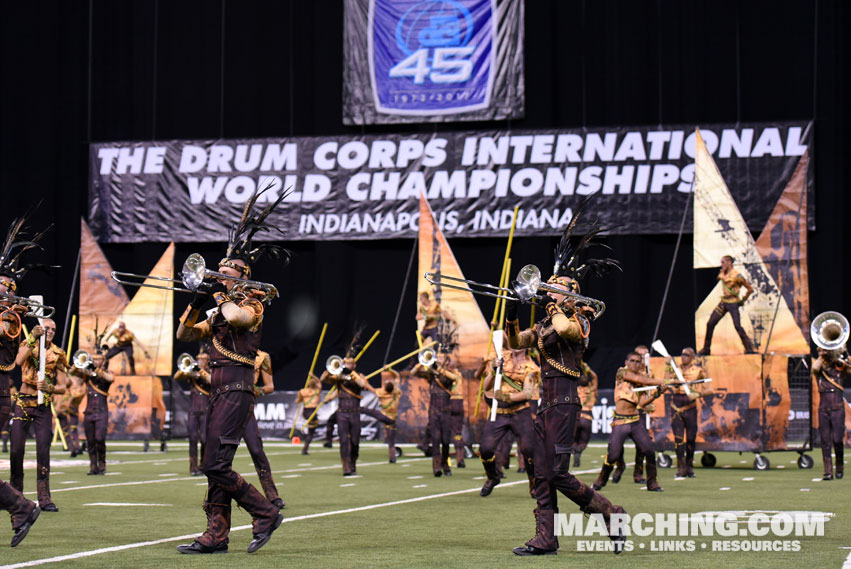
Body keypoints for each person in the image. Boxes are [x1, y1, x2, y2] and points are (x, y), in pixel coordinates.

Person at [506, 202, 626, 556]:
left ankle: (611, 513)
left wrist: (557, 306)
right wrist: (513, 311)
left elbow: (565, 329)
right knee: (541, 474)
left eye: (554, 288)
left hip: (565, 405)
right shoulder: (544, 324)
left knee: (557, 473)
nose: (546, 292)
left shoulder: (580, 320)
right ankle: (546, 538)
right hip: (545, 407)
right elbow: (515, 342)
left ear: (571, 292)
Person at [175, 190, 287, 554]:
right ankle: (216, 535)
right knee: (217, 464)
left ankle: (264, 512)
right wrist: (196, 301)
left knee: (213, 463)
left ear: (243, 275)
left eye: (226, 271)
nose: (219, 274)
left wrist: (221, 296)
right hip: (217, 392)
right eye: (219, 270)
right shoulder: (218, 309)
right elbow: (185, 335)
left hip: (238, 389)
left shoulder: (253, 302)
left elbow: (237, 317)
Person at [11, 318, 70, 512]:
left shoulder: (58, 353)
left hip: (43, 405)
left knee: (43, 450)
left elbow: (64, 386)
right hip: (23, 401)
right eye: (47, 328)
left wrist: (49, 387)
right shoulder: (28, 343)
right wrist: (32, 337)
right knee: (16, 449)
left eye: (53, 328)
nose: (50, 331)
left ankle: (44, 498)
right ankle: (14, 495)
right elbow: (18, 361)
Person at [592, 352, 666, 492]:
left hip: (635, 421)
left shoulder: (639, 381)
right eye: (632, 360)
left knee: (649, 450)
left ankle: (652, 483)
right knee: (613, 455)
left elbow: (642, 402)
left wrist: (657, 393)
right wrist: (662, 382)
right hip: (621, 421)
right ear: (627, 361)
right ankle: (601, 480)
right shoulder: (622, 372)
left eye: (638, 361)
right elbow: (644, 381)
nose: (635, 363)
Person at [478, 348, 539, 497]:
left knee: (529, 450)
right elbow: (486, 386)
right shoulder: (500, 358)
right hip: (499, 412)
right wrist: (493, 370)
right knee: (485, 449)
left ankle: (534, 483)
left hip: (520, 412)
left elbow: (528, 393)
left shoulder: (532, 367)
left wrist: (506, 397)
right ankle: (493, 477)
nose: (516, 345)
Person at [243, 349, 284, 509]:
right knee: (221, 454)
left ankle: (273, 495)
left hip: (246, 408)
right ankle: (216, 499)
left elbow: (270, 386)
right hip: (225, 407)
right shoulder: (227, 350)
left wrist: (255, 390)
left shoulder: (262, 357)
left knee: (257, 451)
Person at [412, 350, 462, 477]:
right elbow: (414, 372)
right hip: (434, 411)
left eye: (440, 358)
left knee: (445, 440)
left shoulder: (448, 374)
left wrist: (438, 369)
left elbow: (455, 378)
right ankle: (436, 467)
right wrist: (421, 362)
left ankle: (445, 464)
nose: (437, 359)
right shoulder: (431, 375)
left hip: (445, 411)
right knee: (435, 439)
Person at [665, 347, 712, 478]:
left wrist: (697, 394)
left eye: (687, 355)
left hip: (690, 406)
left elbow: (709, 390)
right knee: (678, 439)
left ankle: (689, 466)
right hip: (676, 405)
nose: (683, 357)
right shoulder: (676, 369)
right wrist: (668, 366)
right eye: (682, 354)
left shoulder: (699, 370)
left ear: (692, 357)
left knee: (691, 438)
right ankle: (681, 467)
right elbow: (665, 382)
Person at [698, 255, 756, 355]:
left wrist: (743, 300)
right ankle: (706, 349)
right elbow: (720, 278)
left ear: (729, 262)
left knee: (737, 326)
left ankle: (749, 348)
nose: (722, 264)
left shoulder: (737, 275)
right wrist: (722, 273)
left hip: (733, 303)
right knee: (710, 323)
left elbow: (750, 289)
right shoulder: (723, 273)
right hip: (724, 302)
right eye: (721, 262)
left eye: (723, 262)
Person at [69, 349, 115, 475]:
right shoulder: (87, 374)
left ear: (103, 360)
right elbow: (71, 372)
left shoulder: (107, 372)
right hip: (89, 412)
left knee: (100, 439)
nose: (96, 360)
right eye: (94, 358)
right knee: (90, 441)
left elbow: (109, 378)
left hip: (101, 412)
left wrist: (95, 368)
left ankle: (102, 464)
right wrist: (79, 363)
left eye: (98, 358)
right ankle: (93, 466)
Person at [811, 347, 849, 480]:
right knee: (825, 441)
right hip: (823, 409)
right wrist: (822, 356)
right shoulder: (820, 368)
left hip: (837, 409)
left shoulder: (841, 367)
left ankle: (839, 466)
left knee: (838, 440)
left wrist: (844, 353)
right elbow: (814, 369)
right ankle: (828, 471)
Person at [173, 350, 211, 476]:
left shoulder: (210, 371)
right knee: (192, 438)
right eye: (198, 358)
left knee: (205, 439)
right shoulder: (191, 372)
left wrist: (200, 371)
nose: (199, 360)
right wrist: (189, 370)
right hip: (193, 410)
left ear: (207, 361)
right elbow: (176, 377)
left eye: (202, 359)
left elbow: (211, 381)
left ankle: (203, 465)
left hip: (205, 410)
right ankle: (193, 467)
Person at [359, 369, 401, 463]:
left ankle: (359, 409)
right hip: (393, 419)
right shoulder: (396, 391)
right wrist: (390, 370)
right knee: (391, 441)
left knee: (372, 412)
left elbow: (369, 387)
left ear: (385, 388)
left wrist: (364, 379)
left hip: (384, 416)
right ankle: (392, 458)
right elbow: (397, 376)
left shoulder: (382, 393)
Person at [572, 354, 597, 468]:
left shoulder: (575, 389)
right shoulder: (592, 389)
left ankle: (574, 448)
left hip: (576, 418)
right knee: (584, 441)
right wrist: (588, 369)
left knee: (572, 439)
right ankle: (579, 449)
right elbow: (595, 377)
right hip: (587, 417)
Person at [296, 375, 321, 455]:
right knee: (311, 432)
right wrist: (313, 376)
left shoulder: (302, 391)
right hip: (312, 412)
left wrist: (298, 400)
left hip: (305, 412)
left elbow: (298, 400)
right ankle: (305, 449)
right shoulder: (317, 391)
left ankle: (305, 446)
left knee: (310, 430)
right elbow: (319, 382)